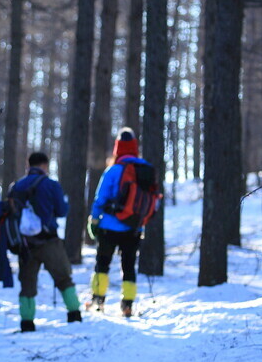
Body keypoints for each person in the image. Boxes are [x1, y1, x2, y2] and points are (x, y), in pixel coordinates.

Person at [10, 152, 82, 332]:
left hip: (25, 245)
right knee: (64, 278)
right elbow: (62, 211)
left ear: (29, 165)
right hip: (49, 241)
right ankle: (74, 315)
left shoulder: (16, 186)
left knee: (27, 285)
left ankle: (27, 323)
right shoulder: (51, 185)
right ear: (44, 165)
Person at [87, 128, 155, 317]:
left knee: (102, 264)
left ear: (117, 149)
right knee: (129, 267)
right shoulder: (146, 170)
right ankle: (127, 305)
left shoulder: (113, 170)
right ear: (135, 148)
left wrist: (94, 220)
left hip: (109, 226)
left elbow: (100, 198)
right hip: (134, 227)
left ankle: (98, 301)